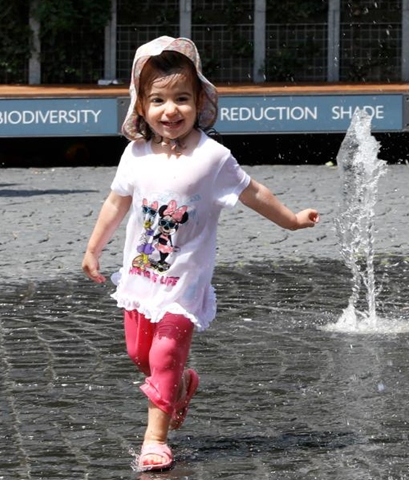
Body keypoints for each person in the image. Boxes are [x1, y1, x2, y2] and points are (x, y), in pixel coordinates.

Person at [81, 36, 319, 472]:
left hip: (185, 281)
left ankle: (155, 439)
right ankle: (181, 384)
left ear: (200, 101)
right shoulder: (134, 155)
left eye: (181, 98)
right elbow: (116, 203)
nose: (170, 110)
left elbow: (253, 192)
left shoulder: (213, 158)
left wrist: (291, 219)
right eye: (158, 100)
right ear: (141, 106)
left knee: (164, 355)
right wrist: (94, 248)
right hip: (141, 276)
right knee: (140, 354)